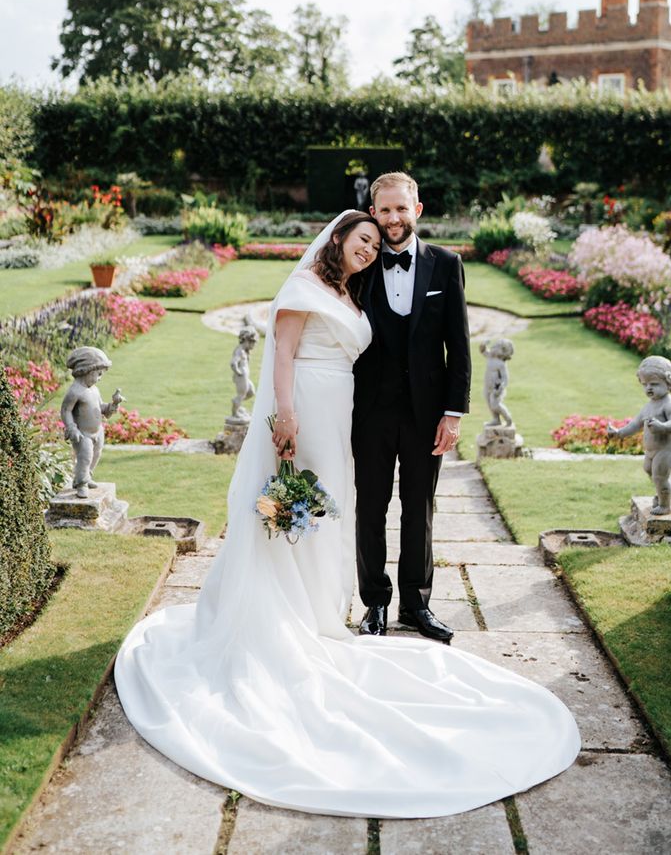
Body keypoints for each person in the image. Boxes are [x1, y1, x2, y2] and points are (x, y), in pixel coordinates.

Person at [115, 208, 580, 819]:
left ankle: (315, 609)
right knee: (290, 513)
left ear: (409, 215)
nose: (368, 247)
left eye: (373, 241)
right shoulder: (305, 286)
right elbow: (282, 355)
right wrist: (285, 414)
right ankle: (278, 613)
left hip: (341, 417)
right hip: (304, 408)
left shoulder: (349, 287)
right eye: (361, 238)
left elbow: (437, 341)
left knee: (326, 514)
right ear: (340, 237)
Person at [352, 172, 470, 642]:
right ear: (373, 214)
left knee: (419, 507)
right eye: (385, 210)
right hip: (371, 411)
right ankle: (374, 604)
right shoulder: (358, 264)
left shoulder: (446, 264)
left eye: (402, 208)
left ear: (416, 210)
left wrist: (454, 413)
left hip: (427, 414)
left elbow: (459, 347)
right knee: (371, 507)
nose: (394, 218)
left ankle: (417, 605)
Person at [607, 355, 671, 514]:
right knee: (649, 469)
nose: (649, 388)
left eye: (654, 384)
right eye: (645, 384)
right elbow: (635, 424)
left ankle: (665, 505)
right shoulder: (649, 406)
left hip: (666, 450)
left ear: (668, 384)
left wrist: (662, 426)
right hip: (652, 451)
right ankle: (669, 491)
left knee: (659, 476)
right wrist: (618, 433)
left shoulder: (668, 404)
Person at [60, 346, 124, 498]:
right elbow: (65, 410)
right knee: (85, 456)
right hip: (83, 434)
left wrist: (113, 404)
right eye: (98, 374)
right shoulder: (75, 391)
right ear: (86, 371)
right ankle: (81, 483)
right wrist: (71, 427)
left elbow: (101, 407)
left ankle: (86, 476)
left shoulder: (94, 389)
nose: (100, 378)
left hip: (97, 431)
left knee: (96, 455)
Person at [480, 337, 514, 427]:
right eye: (494, 346)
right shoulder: (490, 357)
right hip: (487, 387)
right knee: (489, 404)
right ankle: (496, 419)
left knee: (495, 405)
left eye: (496, 347)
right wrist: (483, 344)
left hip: (496, 388)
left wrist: (501, 387)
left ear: (503, 352)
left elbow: (505, 378)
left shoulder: (501, 364)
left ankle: (508, 418)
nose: (493, 348)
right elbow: (483, 351)